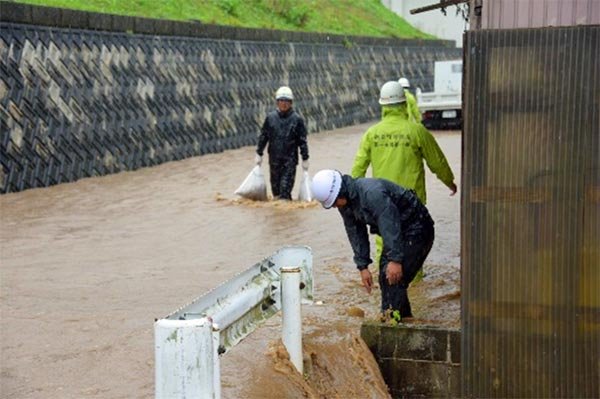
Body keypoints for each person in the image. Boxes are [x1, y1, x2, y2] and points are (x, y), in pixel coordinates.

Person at [351, 80, 457, 277]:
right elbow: (437, 161)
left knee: (385, 247)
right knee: (412, 247)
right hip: (412, 204)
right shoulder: (416, 131)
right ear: (403, 104)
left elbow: (358, 170)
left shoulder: (372, 134)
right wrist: (449, 181)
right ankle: (416, 295)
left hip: (379, 204)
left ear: (382, 106)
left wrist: (353, 199)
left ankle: (387, 291)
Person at [311, 169, 435, 319]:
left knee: (394, 279)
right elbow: (356, 233)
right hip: (397, 232)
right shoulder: (346, 204)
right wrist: (363, 267)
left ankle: (394, 325)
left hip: (417, 228)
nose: (335, 207)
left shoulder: (372, 194)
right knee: (385, 277)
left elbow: (389, 223)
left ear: (340, 192)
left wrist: (395, 260)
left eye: (335, 203)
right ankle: (399, 321)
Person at [255, 86, 309, 200]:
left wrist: (305, 158)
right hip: (274, 160)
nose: (284, 103)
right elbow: (263, 136)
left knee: (284, 192)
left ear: (291, 102)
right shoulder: (270, 118)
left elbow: (302, 141)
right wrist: (259, 153)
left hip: (290, 161)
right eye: (281, 100)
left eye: (287, 101)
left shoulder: (297, 120)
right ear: (277, 102)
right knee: (276, 193)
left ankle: (286, 214)